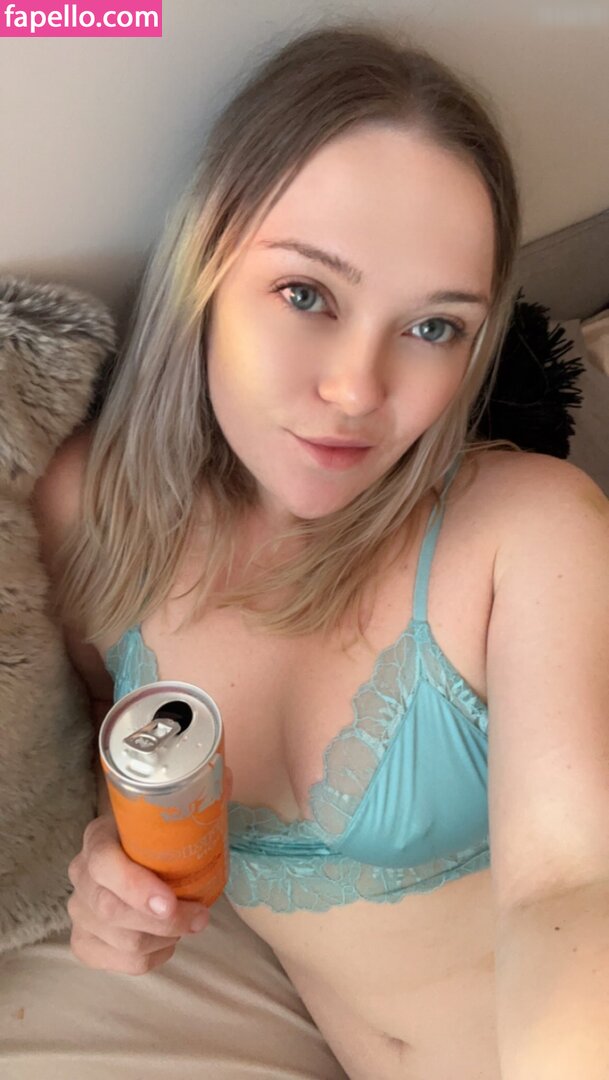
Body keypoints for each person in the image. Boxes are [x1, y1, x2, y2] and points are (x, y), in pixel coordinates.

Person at [16, 17, 609, 1080]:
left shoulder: (528, 535)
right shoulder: (87, 521)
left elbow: (572, 882)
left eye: (433, 327)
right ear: (203, 271)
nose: (355, 390)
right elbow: (118, 752)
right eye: (307, 294)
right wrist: (113, 882)